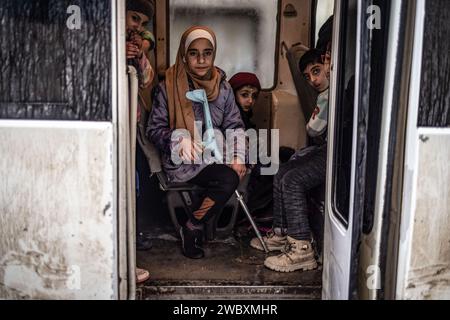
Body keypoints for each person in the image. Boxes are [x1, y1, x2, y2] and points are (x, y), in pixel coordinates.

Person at [147, 26, 247, 259]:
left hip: (215, 155)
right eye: (193, 53)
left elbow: (235, 125)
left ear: (214, 54)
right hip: (184, 161)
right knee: (226, 179)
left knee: (236, 175)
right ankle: (194, 229)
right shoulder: (168, 87)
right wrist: (178, 139)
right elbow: (154, 129)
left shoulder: (223, 87)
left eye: (207, 53)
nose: (201, 59)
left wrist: (238, 155)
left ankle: (191, 225)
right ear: (184, 55)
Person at [250, 49, 329, 273]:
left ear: (329, 65)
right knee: (283, 170)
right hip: (327, 149)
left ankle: (302, 249)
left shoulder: (329, 95)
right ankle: (282, 232)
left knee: (293, 180)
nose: (313, 80)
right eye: (307, 76)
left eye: (316, 71)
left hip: (337, 155)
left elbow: (314, 129)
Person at [126, 0, 155, 284]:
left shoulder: (134, 47)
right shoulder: (102, 41)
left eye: (142, 23)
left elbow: (146, 79)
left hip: (128, 126)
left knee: (134, 186)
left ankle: (130, 246)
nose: (138, 27)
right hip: (110, 126)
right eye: (134, 18)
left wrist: (138, 55)